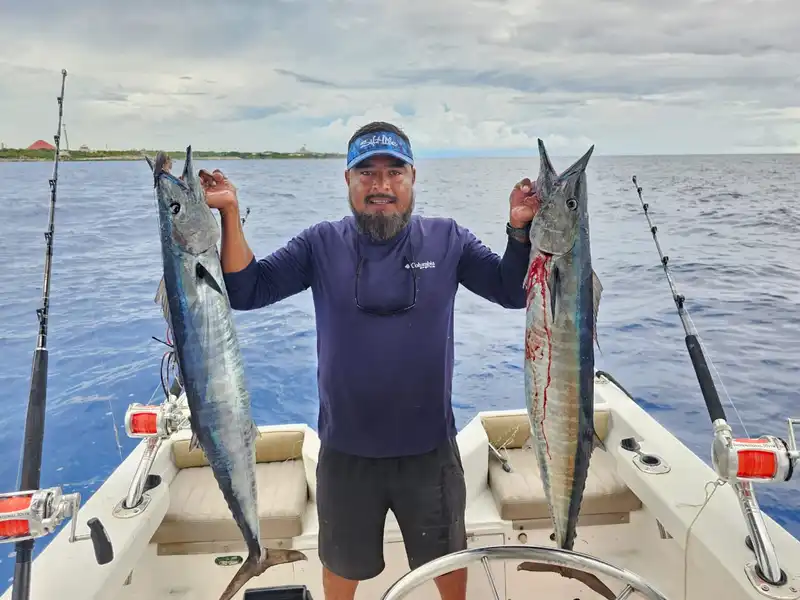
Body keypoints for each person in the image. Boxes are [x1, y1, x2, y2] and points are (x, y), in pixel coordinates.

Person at [199, 121, 540, 600]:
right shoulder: (320, 244)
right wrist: (230, 214)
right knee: (343, 569)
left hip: (429, 452)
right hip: (346, 454)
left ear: (413, 177)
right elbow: (247, 289)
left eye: (393, 172)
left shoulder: (449, 240)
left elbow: (510, 291)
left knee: (447, 565)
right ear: (348, 180)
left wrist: (519, 231)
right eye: (367, 172)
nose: (381, 185)